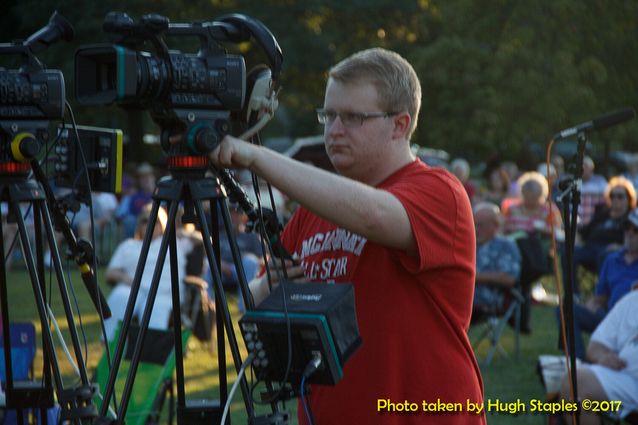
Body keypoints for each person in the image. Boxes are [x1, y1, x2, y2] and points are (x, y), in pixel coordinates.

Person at [210, 48, 484, 424]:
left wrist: (255, 157)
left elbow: (373, 215)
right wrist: (269, 287)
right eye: (329, 115)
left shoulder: (439, 191)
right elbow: (254, 300)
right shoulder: (314, 208)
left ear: (400, 125)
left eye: (353, 117)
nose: (334, 130)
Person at [557, 207, 638, 360]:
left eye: (636, 230)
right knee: (566, 310)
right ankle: (577, 361)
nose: (630, 233)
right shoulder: (612, 259)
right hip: (610, 318)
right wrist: (591, 305)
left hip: (633, 324)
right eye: (627, 228)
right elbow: (600, 298)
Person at [103, 204, 193, 341]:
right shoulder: (128, 245)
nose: (150, 225)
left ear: (162, 224)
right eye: (145, 221)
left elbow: (204, 241)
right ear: (139, 225)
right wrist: (125, 278)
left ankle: (150, 353)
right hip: (133, 287)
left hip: (164, 292)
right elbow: (110, 273)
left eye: (155, 221)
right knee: (120, 297)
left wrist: (181, 233)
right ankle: (110, 344)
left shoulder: (175, 242)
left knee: (154, 307)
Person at [559, 287, 638, 425]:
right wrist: (603, 357)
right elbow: (596, 346)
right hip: (628, 379)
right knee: (575, 383)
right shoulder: (632, 301)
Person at [561, 176, 636, 295]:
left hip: (611, 251)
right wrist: (577, 240)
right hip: (590, 248)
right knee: (567, 251)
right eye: (612, 195)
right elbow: (583, 232)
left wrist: (621, 246)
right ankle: (572, 295)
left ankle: (601, 297)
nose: (615, 199)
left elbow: (633, 238)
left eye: (620, 196)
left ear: (629, 198)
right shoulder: (602, 213)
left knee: (606, 255)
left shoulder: (631, 218)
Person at [472, 202, 521, 313]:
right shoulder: (468, 243)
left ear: (495, 225)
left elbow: (509, 278)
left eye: (480, 225)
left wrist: (474, 277)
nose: (475, 229)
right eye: (473, 224)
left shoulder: (506, 245)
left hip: (486, 299)